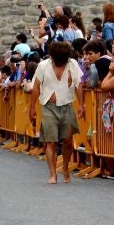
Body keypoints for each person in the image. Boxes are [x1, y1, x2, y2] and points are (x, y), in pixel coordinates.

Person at [29, 41, 84, 184]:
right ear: (52, 56)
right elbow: (36, 87)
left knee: (67, 141)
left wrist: (82, 105)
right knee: (50, 141)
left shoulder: (72, 64)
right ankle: (53, 174)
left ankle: (65, 168)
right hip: (48, 106)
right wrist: (31, 108)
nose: (61, 61)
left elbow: (79, 84)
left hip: (67, 105)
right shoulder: (43, 66)